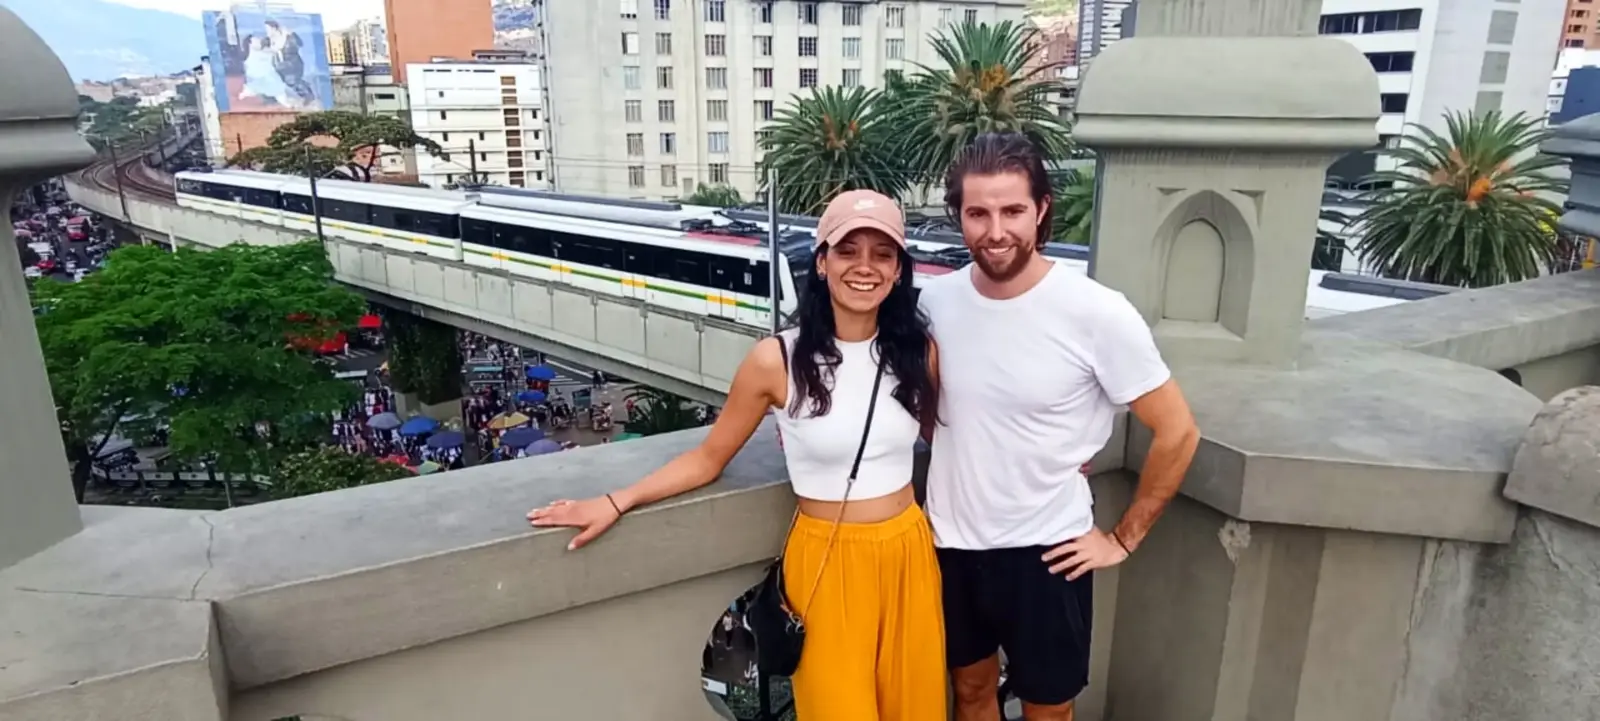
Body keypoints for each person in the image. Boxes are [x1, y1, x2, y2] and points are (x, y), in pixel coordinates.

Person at [529, 189, 946, 721]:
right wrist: (617, 500)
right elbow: (709, 458)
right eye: (848, 251)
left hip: (909, 551)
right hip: (826, 559)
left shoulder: (917, 352)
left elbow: (949, 442)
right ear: (822, 263)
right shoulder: (777, 360)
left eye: (882, 254)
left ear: (898, 270)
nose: (865, 267)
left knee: (916, 708)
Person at [919, 132, 1201, 721]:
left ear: (1041, 209)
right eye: (978, 213)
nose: (996, 230)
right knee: (969, 695)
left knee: (1048, 711)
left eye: (1013, 211)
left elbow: (1178, 432)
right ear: (959, 216)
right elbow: (930, 412)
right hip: (951, 546)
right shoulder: (934, 302)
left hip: (1047, 554)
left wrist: (1122, 538)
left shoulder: (1096, 311)